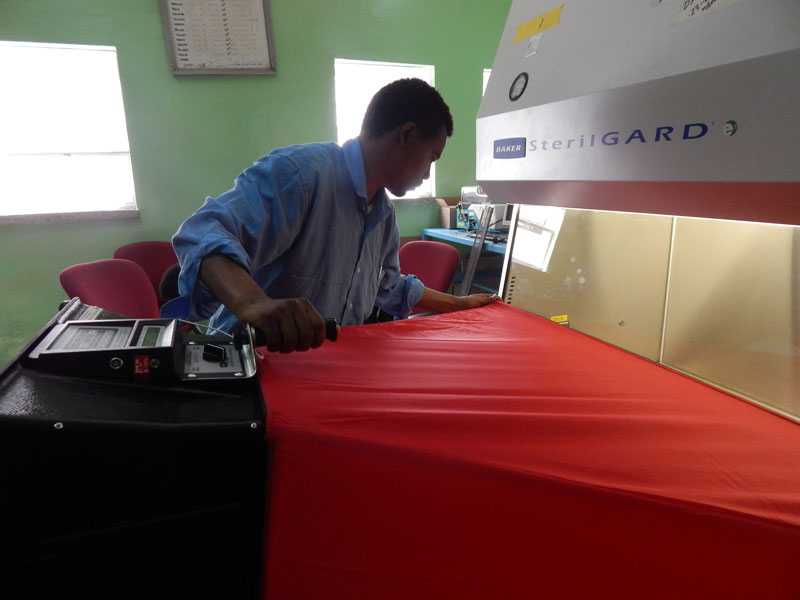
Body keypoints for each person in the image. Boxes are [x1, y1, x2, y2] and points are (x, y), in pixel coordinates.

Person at [172, 78, 496, 354]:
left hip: (321, 368)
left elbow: (389, 286)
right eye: (432, 157)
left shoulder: (382, 215)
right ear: (406, 135)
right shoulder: (302, 175)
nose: (427, 173)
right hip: (252, 364)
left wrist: (458, 305)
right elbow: (204, 230)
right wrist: (253, 303)